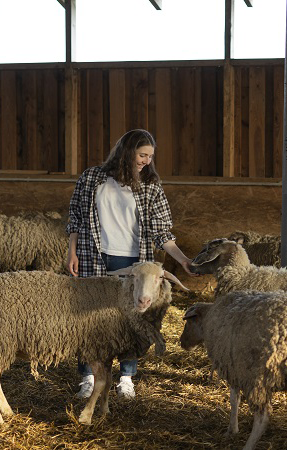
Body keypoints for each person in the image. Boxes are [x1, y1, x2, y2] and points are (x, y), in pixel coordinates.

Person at [66, 128, 196, 400]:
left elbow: (162, 232)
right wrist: (72, 252)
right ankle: (88, 377)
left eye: (150, 156)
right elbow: (76, 218)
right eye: (142, 154)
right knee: (90, 317)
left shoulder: (150, 186)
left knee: (132, 320)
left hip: (134, 262)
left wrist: (183, 259)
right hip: (94, 257)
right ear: (127, 151)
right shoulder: (92, 178)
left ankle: (125, 377)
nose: (147, 161)